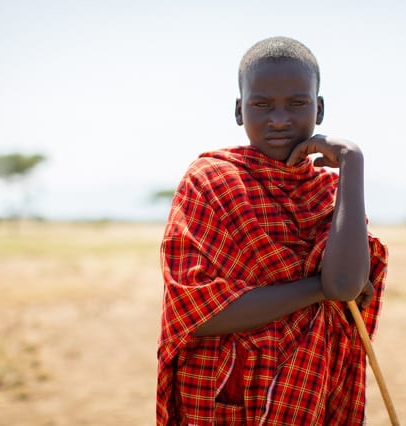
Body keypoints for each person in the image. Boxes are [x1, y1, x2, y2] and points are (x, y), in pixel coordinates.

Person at [157, 36, 388, 425]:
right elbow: (196, 312)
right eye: (261, 105)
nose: (279, 119)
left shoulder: (333, 193)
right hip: (226, 394)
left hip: (312, 395)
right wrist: (319, 288)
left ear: (319, 108)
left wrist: (352, 159)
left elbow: (346, 286)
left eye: (296, 104)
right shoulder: (210, 181)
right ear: (238, 110)